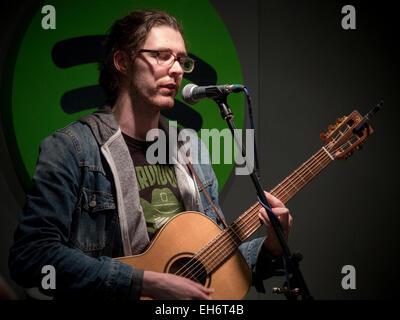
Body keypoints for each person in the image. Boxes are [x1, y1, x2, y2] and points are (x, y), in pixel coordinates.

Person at [9, 10, 292, 300]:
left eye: (181, 60)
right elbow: (31, 256)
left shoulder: (190, 148)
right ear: (122, 62)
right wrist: (143, 282)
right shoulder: (72, 147)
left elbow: (215, 257)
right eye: (161, 56)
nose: (177, 69)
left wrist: (271, 245)